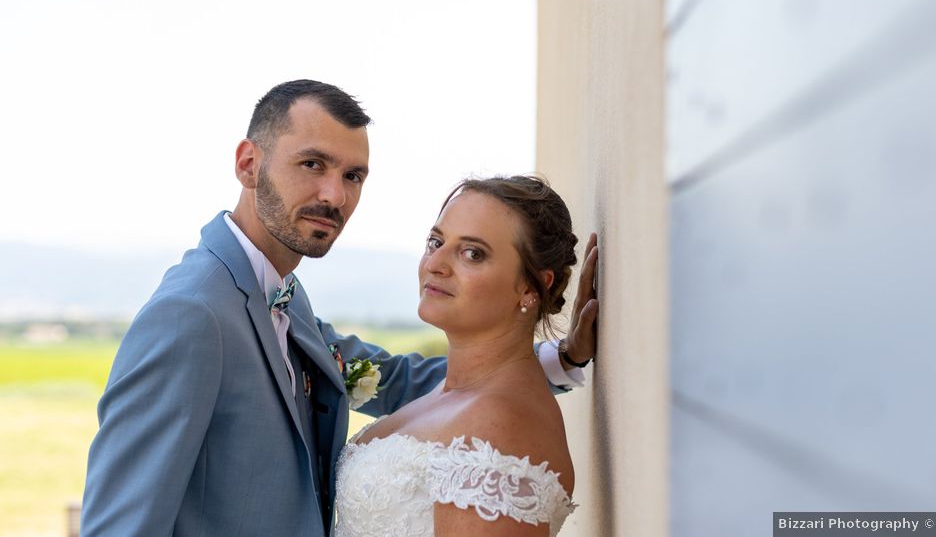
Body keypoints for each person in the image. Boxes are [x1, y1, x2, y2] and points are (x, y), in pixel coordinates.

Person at [80, 80, 599, 536]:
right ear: (248, 164)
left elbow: (400, 383)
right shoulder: (192, 315)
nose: (335, 195)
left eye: (353, 176)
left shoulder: (287, 301)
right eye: (312, 164)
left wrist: (561, 358)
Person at [334, 176, 585, 537]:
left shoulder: (503, 423)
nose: (435, 263)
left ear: (532, 286)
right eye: (435, 242)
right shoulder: (449, 394)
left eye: (473, 253)